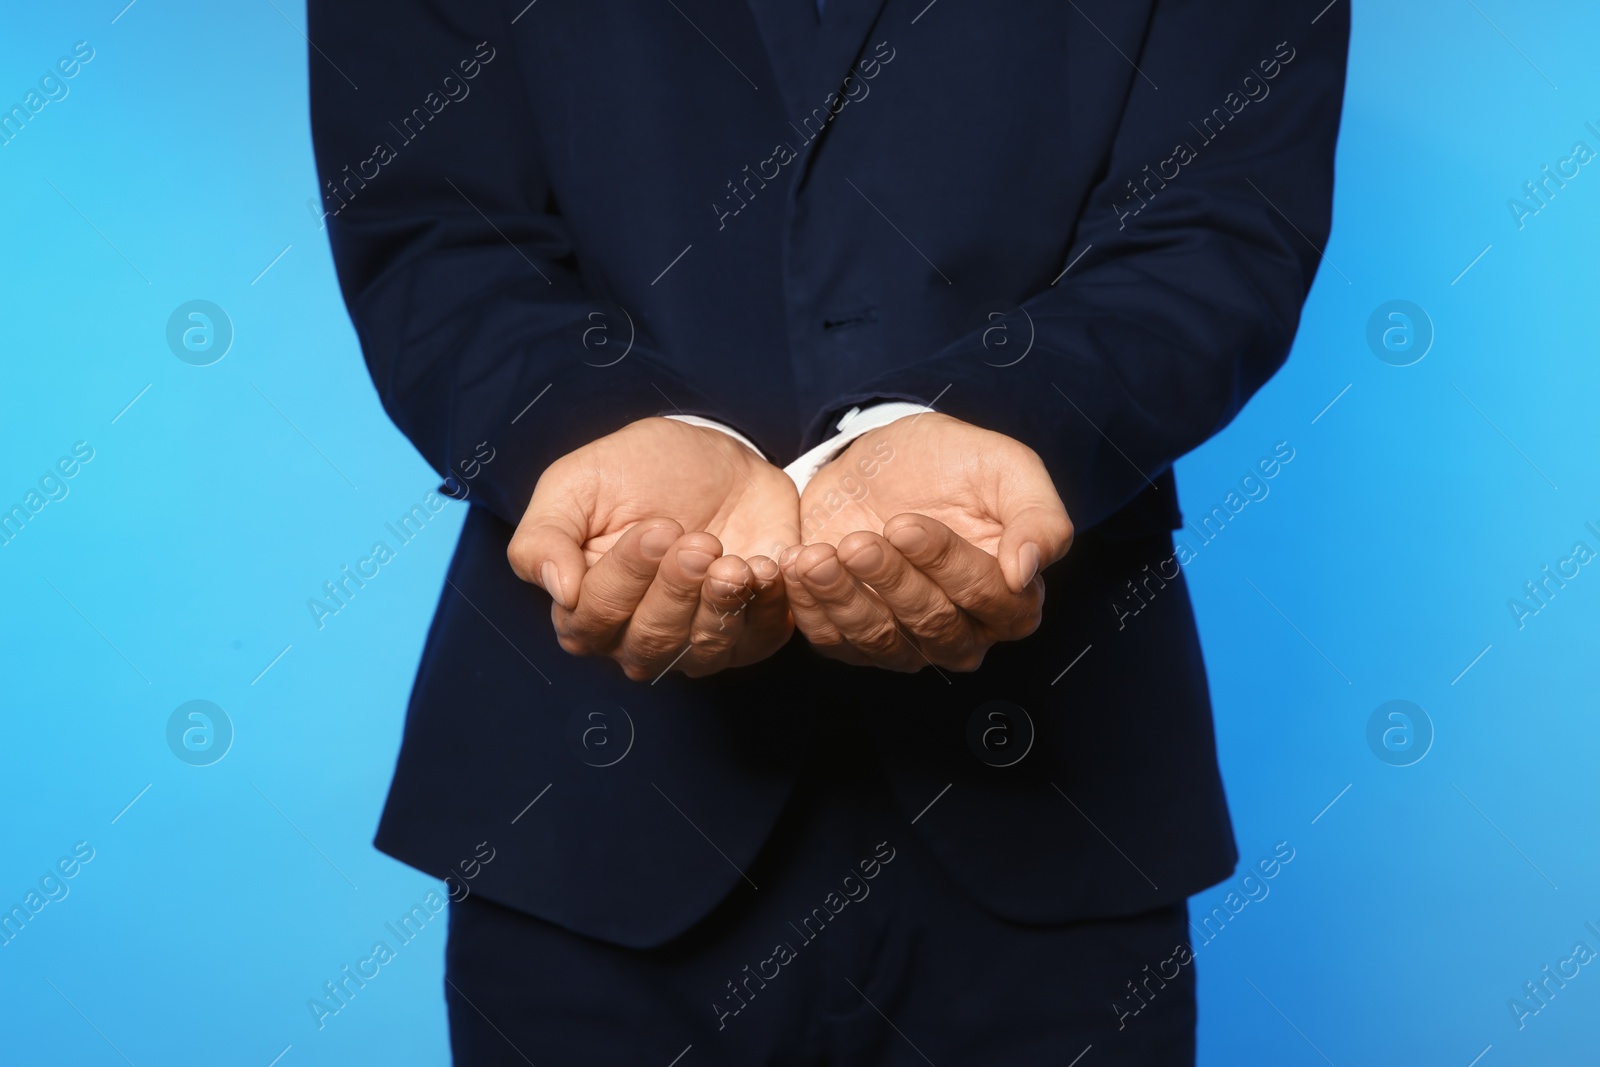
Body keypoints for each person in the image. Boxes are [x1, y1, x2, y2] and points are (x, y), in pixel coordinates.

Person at [309, 1, 1347, 1062]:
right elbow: (432, 224)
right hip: (588, 814)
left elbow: (1220, 218)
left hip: (1058, 799)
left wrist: (983, 425)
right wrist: (603, 434)